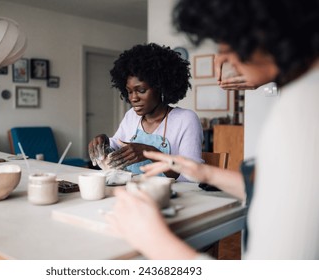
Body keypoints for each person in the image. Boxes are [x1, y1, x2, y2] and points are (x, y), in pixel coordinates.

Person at [106, 0, 319, 259]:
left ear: (272, 29)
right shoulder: (297, 97)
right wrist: (205, 172)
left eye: (230, 41)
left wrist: (153, 238)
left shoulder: (305, 116)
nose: (223, 57)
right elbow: (276, 193)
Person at [88, 43, 203, 181]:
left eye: (141, 90)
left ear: (160, 87)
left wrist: (150, 153)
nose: (133, 98)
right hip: (134, 191)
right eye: (129, 92)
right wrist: (103, 143)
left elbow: (193, 175)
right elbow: (117, 145)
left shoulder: (186, 120)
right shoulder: (131, 116)